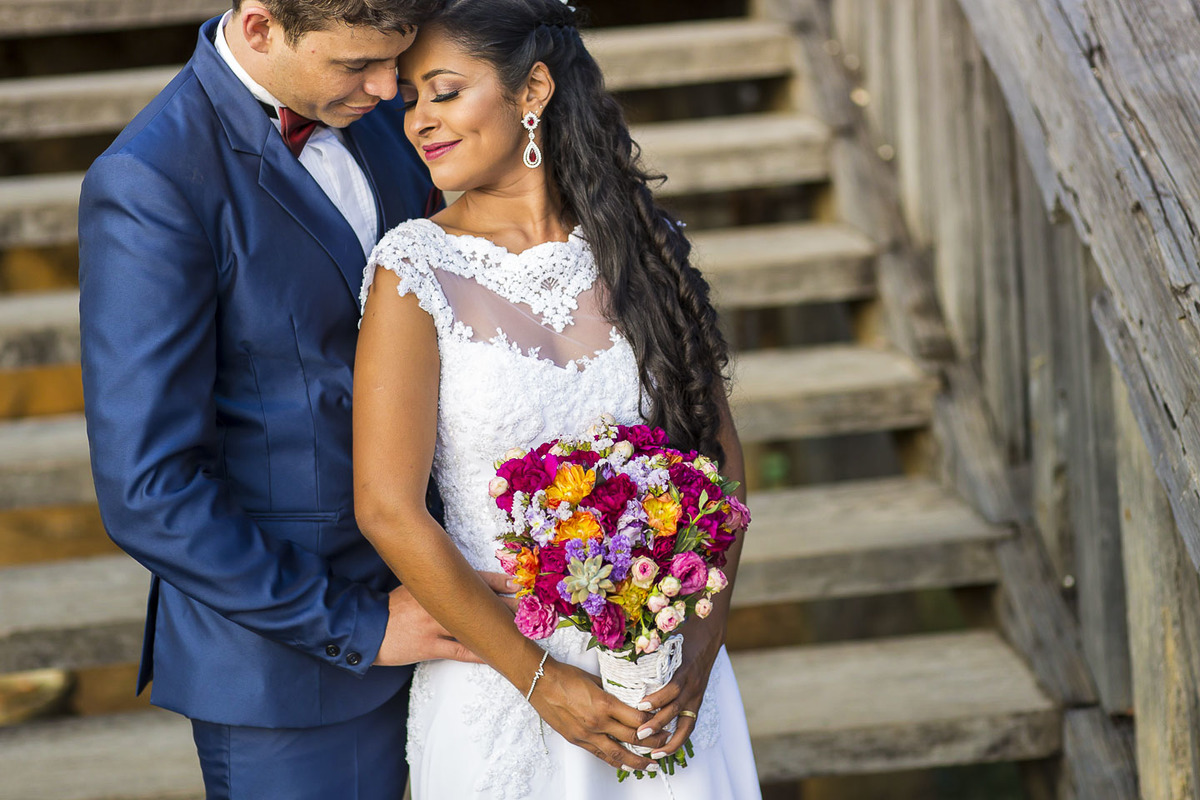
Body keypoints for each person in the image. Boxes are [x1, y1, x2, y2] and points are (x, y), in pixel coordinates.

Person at [77, 2, 518, 797]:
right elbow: (149, 489)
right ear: (259, 28)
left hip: (468, 606)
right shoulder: (150, 180)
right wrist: (361, 625)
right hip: (296, 670)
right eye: (357, 65)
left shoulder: (383, 118)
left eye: (394, 61)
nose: (387, 90)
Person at [353, 0, 763, 796]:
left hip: (666, 680)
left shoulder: (640, 249)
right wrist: (541, 682)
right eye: (410, 100)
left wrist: (701, 646)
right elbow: (386, 509)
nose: (418, 121)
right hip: (500, 685)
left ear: (533, 89)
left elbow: (718, 460)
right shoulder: (414, 270)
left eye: (444, 91)